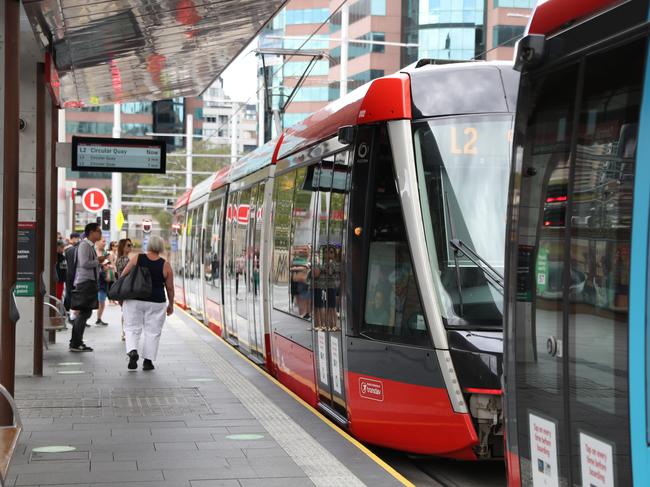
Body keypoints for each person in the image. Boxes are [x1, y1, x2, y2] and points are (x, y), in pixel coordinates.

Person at [120, 235, 174, 370]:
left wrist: (121, 296)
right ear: (161, 247)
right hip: (156, 301)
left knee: (132, 327)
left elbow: (123, 276)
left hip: (134, 299)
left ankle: (132, 351)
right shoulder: (165, 264)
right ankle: (148, 361)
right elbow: (170, 287)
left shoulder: (137, 258)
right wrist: (171, 304)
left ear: (148, 245)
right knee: (153, 331)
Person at [69, 223, 105, 352]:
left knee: (85, 312)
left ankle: (77, 341)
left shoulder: (89, 246)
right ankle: (75, 343)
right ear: (91, 232)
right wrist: (98, 261)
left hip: (89, 282)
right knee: (84, 312)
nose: (100, 233)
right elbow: (84, 263)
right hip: (85, 282)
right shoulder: (84, 245)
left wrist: (98, 264)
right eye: (98, 231)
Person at [115, 238, 133, 341]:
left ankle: (124, 332)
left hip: (121, 288)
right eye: (128, 245)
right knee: (127, 311)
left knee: (125, 311)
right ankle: (125, 332)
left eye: (131, 245)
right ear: (123, 247)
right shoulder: (124, 260)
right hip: (125, 288)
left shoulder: (120, 259)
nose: (131, 247)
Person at [94, 238, 110, 326]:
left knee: (102, 302)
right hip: (95, 280)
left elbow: (109, 264)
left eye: (105, 241)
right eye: (103, 241)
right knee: (97, 301)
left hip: (103, 281)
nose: (104, 243)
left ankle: (99, 318)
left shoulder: (106, 253)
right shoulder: (94, 251)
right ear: (98, 242)